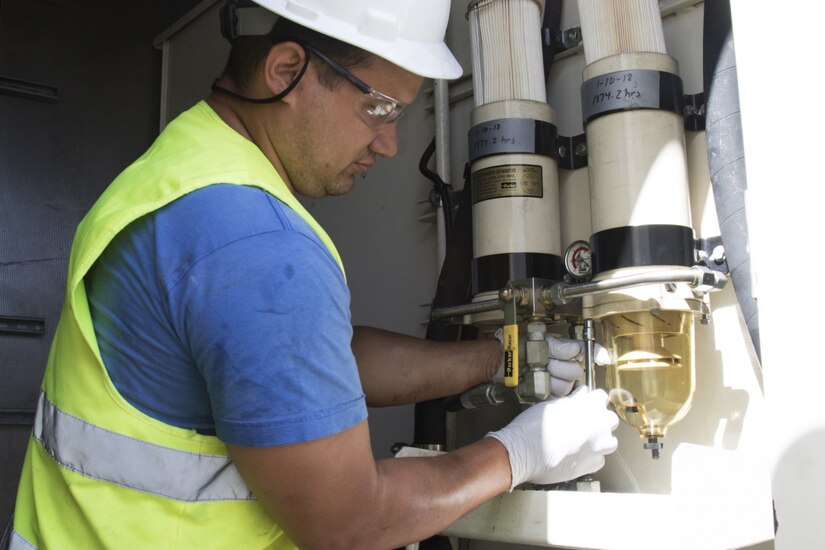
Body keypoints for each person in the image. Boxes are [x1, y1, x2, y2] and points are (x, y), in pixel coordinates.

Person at [9, 1, 619, 548]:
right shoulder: (257, 243)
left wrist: (502, 358)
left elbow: (300, 364)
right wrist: (520, 453)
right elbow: (350, 525)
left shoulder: (180, 169)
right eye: (379, 107)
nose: (391, 144)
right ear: (286, 71)